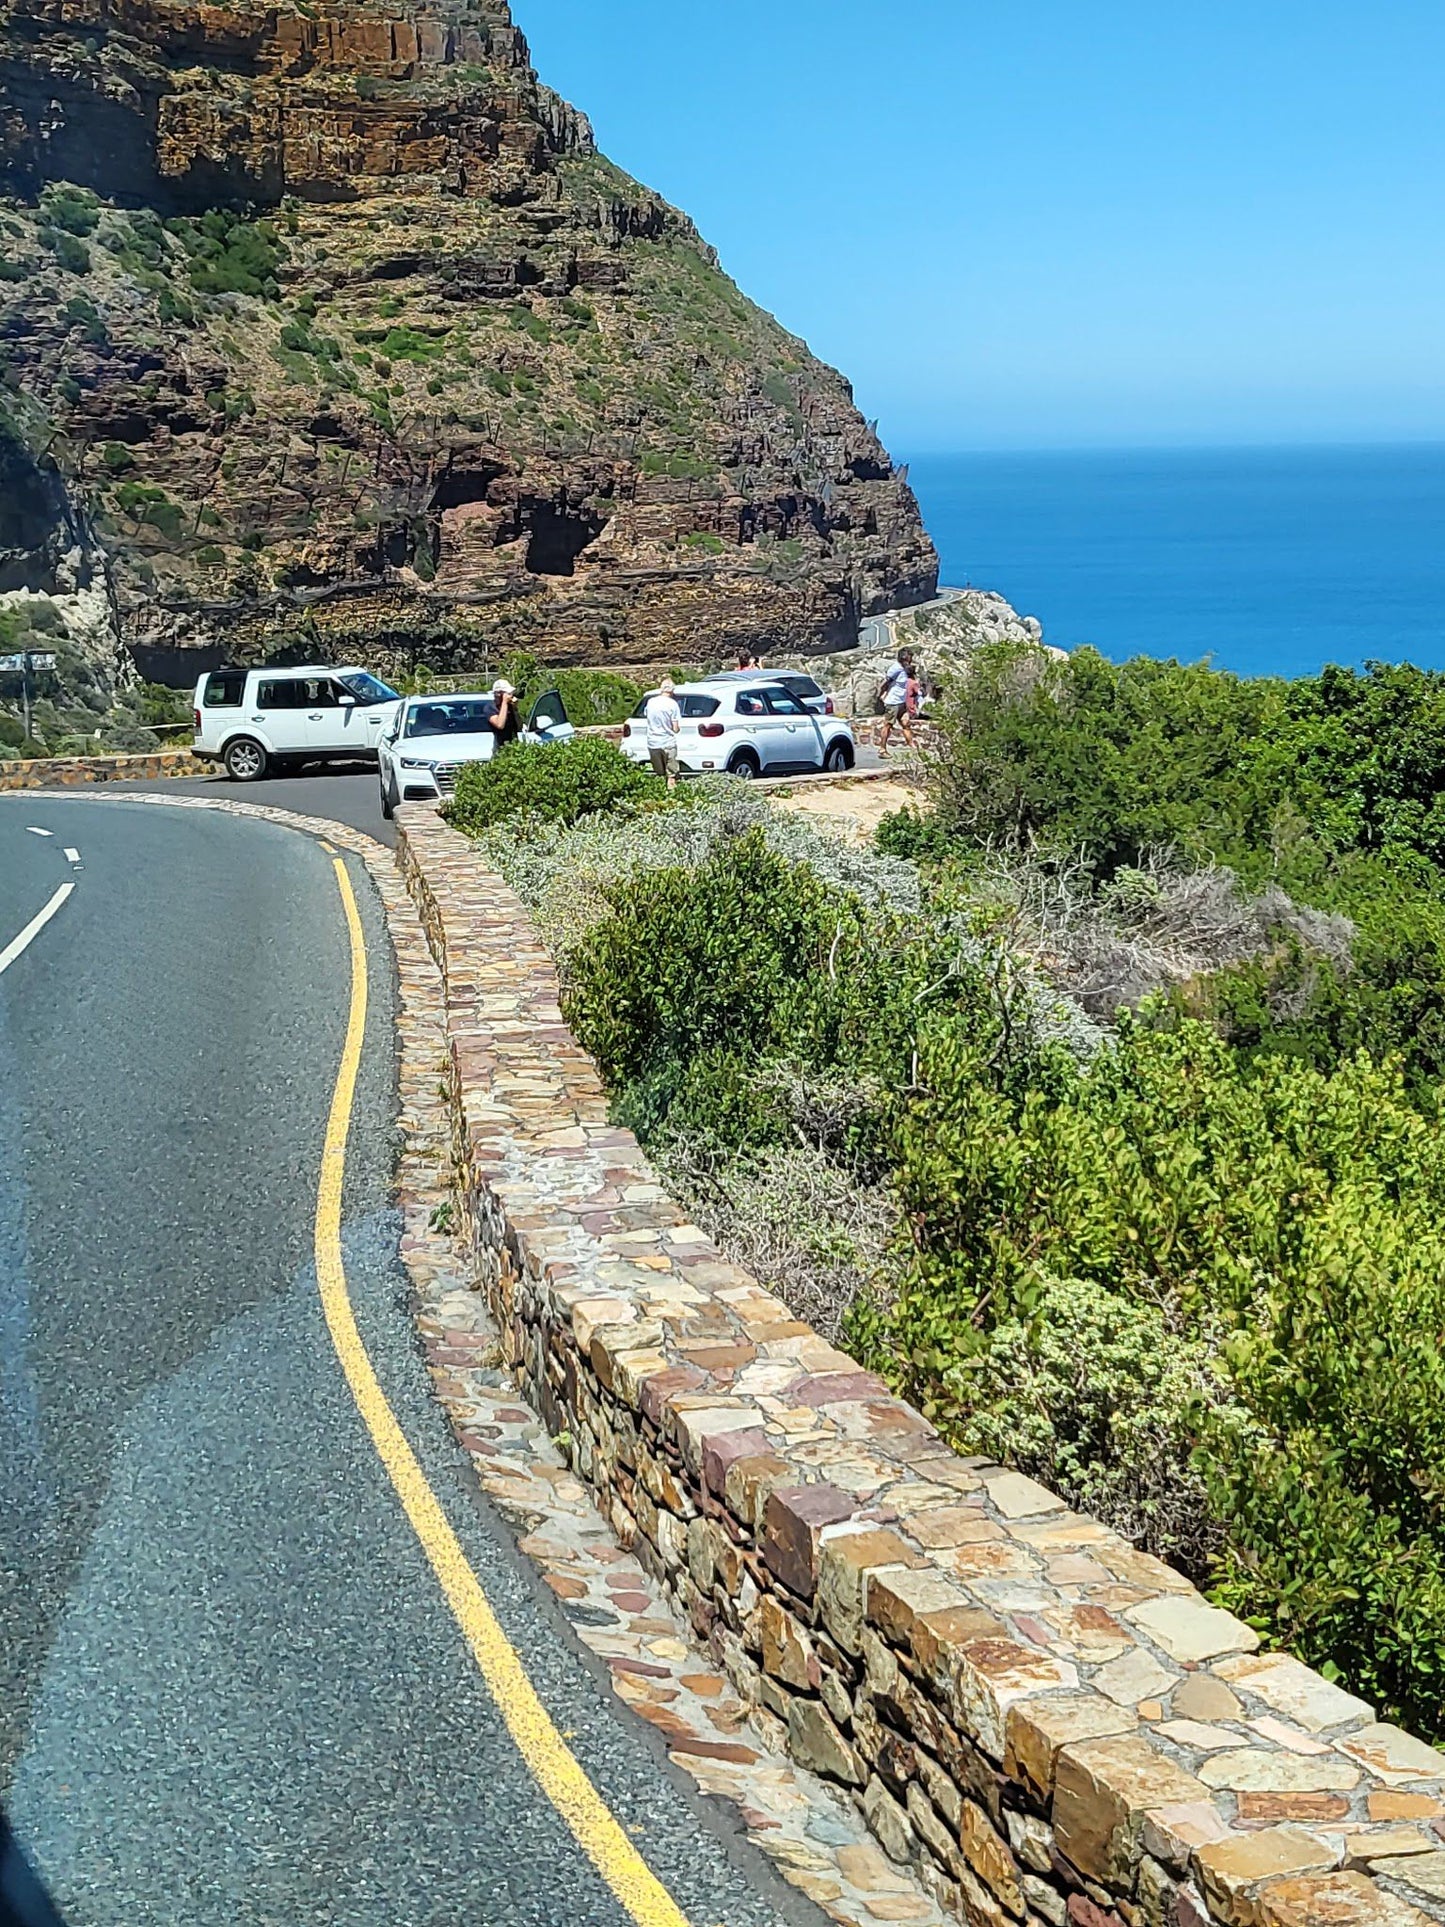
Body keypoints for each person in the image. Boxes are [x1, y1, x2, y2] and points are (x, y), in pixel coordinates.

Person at [644, 676, 682, 791]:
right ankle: (672, 797)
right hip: (668, 743)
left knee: (659, 775)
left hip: (653, 743)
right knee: (671, 775)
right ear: (672, 691)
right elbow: (675, 728)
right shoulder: (672, 704)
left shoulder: (651, 702)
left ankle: (659, 795)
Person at [878, 647, 916, 756]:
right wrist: (882, 694)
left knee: (906, 724)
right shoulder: (896, 668)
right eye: (909, 658)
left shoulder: (906, 669)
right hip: (893, 702)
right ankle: (882, 749)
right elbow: (886, 682)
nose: (910, 660)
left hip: (902, 702)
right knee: (888, 725)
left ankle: (913, 748)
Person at [486, 678, 521, 749]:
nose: (510, 695)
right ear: (499, 694)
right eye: (508, 693)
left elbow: (519, 726)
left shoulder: (510, 706)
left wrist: (515, 709)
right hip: (500, 747)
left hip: (514, 745)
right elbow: (500, 725)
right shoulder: (490, 708)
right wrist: (504, 702)